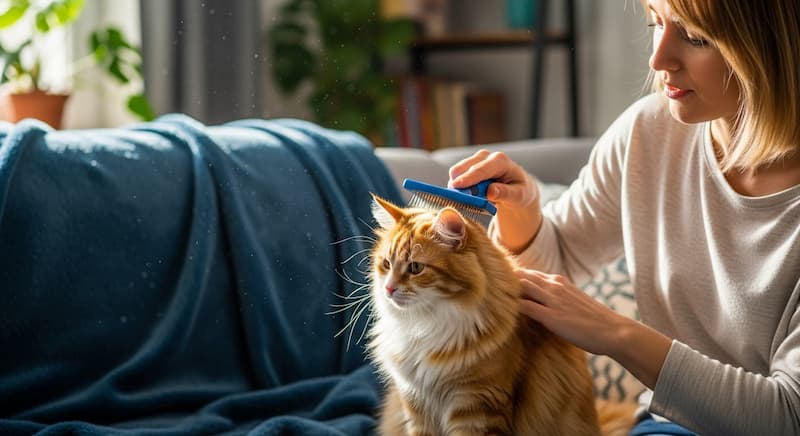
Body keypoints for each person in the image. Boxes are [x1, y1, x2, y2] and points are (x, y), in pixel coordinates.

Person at [448, 0, 800, 434]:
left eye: (695, 38)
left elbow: (788, 414)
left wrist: (615, 333)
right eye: (656, 22)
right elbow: (556, 257)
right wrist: (521, 210)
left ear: (771, 46)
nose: (658, 58)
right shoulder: (647, 134)